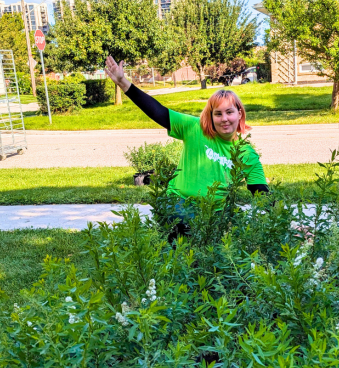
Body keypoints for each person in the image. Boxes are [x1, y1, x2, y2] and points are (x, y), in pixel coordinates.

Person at [105, 56, 269, 237]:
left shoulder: (246, 153)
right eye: (218, 113)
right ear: (211, 116)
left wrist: (287, 223)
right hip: (178, 203)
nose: (224, 119)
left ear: (239, 113)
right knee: (186, 230)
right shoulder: (195, 128)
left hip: (213, 216)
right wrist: (123, 83)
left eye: (229, 112)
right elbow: (158, 111)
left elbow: (261, 193)